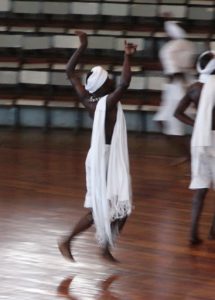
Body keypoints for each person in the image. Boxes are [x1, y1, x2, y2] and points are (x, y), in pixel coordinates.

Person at [58, 31, 136, 262]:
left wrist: (82, 46)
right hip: (105, 158)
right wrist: (127, 56)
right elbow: (125, 82)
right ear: (103, 86)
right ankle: (68, 240)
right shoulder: (107, 102)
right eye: (109, 79)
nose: (112, 80)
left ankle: (105, 246)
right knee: (102, 209)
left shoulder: (87, 98)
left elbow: (69, 72)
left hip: (102, 156)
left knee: (122, 206)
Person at [174, 50, 215, 245]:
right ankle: (213, 230)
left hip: (199, 139)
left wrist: (197, 124)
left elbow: (178, 113)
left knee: (200, 189)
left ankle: (192, 233)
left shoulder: (194, 88)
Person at [153, 20, 195, 164]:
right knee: (163, 121)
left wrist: (183, 90)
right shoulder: (189, 44)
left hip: (178, 90)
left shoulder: (169, 49)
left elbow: (175, 72)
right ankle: (190, 155)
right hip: (184, 86)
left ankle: (191, 157)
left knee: (169, 124)